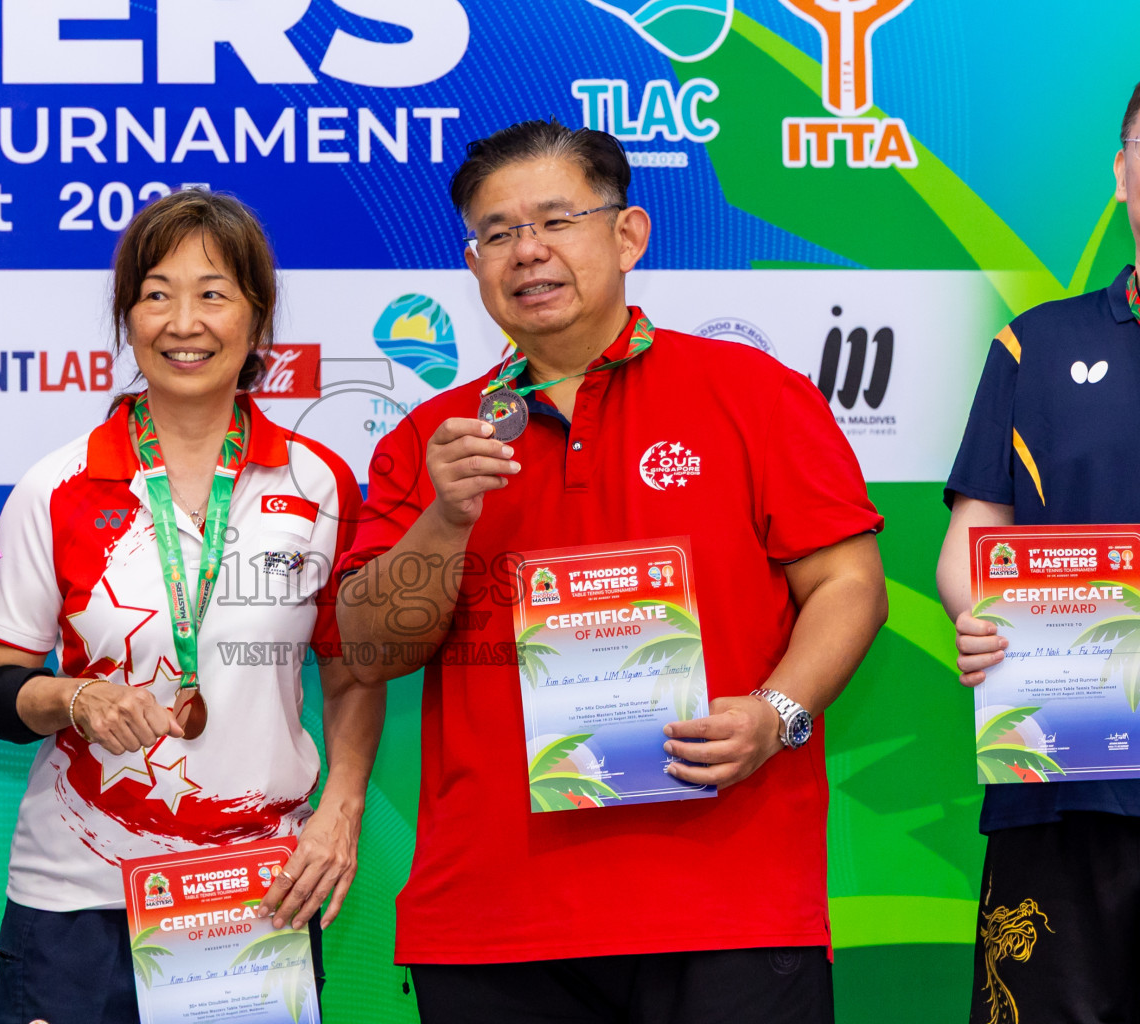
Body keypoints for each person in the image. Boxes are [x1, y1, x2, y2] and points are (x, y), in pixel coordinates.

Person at [335, 120, 888, 1023]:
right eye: (498, 233)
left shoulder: (752, 392)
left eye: (556, 221)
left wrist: (775, 713)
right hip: (494, 922)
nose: (528, 252)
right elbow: (369, 647)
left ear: (628, 234)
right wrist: (445, 516)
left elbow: (849, 585)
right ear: (472, 264)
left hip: (727, 905)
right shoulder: (432, 437)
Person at [0, 188, 384, 1024]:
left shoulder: (320, 483)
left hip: (253, 894)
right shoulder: (58, 487)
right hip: (77, 894)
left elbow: (352, 670)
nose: (182, 321)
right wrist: (71, 697)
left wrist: (341, 809)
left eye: (213, 294)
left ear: (258, 323)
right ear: (127, 320)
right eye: (156, 294)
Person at [936, 82, 1140, 1024]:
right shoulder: (1038, 343)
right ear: (1122, 172)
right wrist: (973, 611)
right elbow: (977, 533)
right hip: (1068, 768)